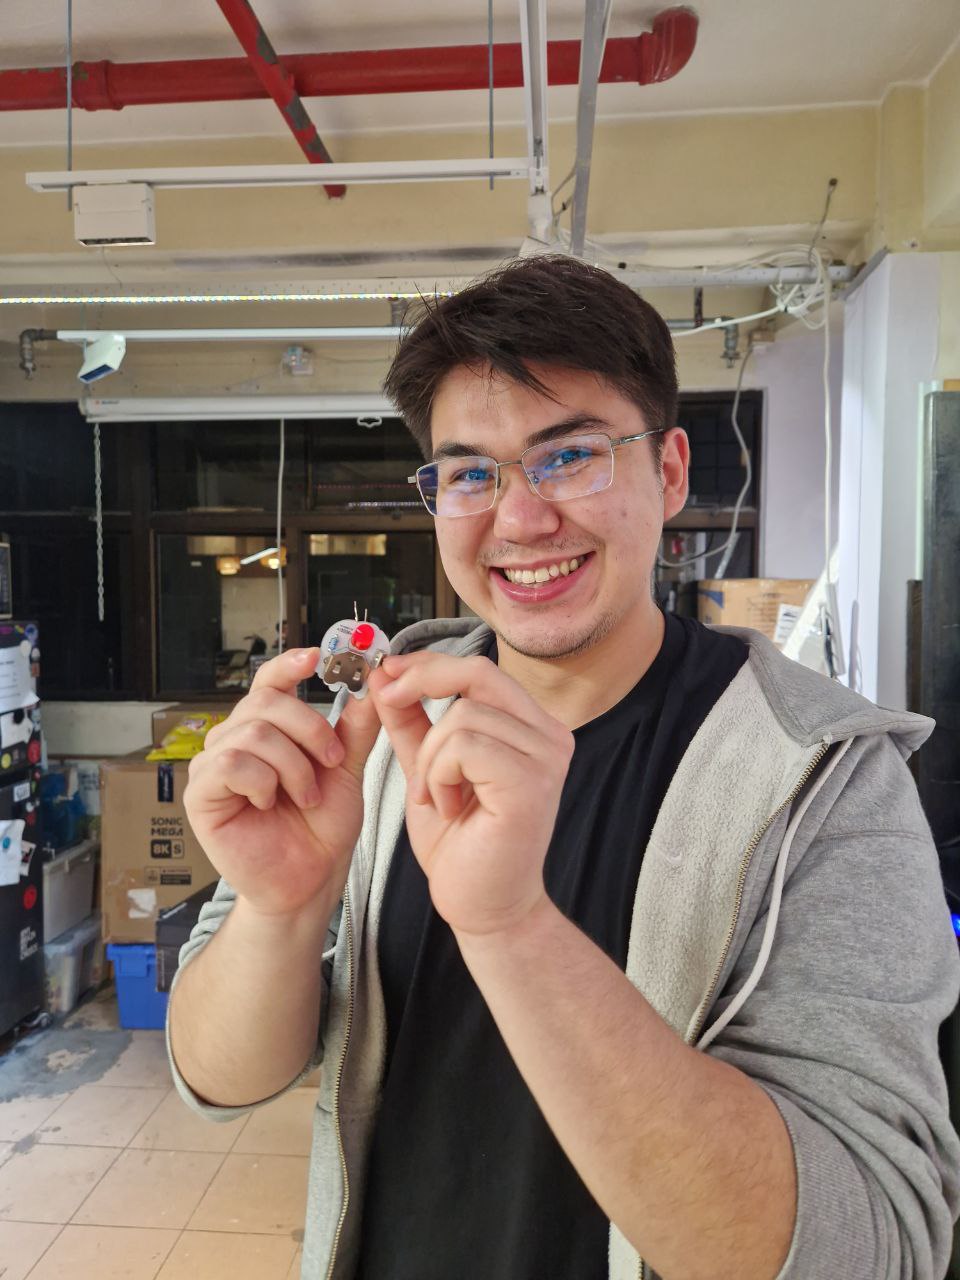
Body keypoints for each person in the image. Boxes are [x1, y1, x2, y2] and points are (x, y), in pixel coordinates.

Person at [167, 256, 960, 1280]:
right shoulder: (373, 737)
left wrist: (514, 927)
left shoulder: (824, 780)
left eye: (570, 455)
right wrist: (282, 904)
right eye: (468, 472)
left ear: (670, 471)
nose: (521, 519)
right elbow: (219, 1078)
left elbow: (869, 1248)